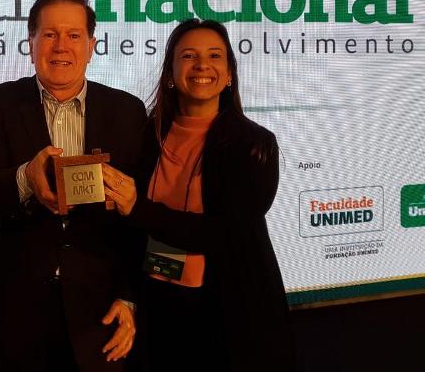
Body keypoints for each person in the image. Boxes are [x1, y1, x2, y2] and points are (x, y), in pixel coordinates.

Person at [102, 18, 294, 371]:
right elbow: (129, 234)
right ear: (171, 73)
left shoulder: (254, 145)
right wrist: (126, 294)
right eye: (188, 55)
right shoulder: (147, 134)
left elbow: (226, 234)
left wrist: (138, 208)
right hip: (157, 306)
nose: (202, 65)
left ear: (229, 73)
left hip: (226, 311)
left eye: (215, 56)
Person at [0, 0, 147, 371]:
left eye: (73, 35)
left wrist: (129, 296)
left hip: (102, 311)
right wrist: (25, 179)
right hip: (15, 310)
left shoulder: (127, 112)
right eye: (49, 34)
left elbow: (141, 222)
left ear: (91, 45)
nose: (60, 46)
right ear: (30, 42)